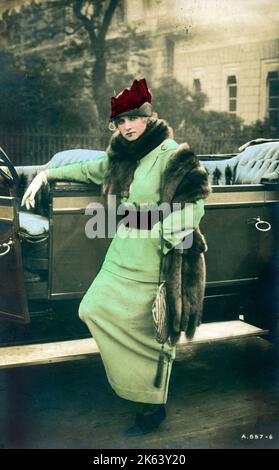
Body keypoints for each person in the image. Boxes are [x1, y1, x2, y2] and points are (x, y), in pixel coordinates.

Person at [22, 78, 211, 437]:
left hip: (157, 257)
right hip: (122, 252)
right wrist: (48, 174)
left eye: (132, 119)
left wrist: (159, 236)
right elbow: (90, 169)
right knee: (92, 307)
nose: (125, 127)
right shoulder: (122, 156)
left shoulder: (173, 154)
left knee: (153, 331)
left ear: (148, 117)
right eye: (119, 121)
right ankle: (130, 385)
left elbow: (195, 204)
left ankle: (152, 406)